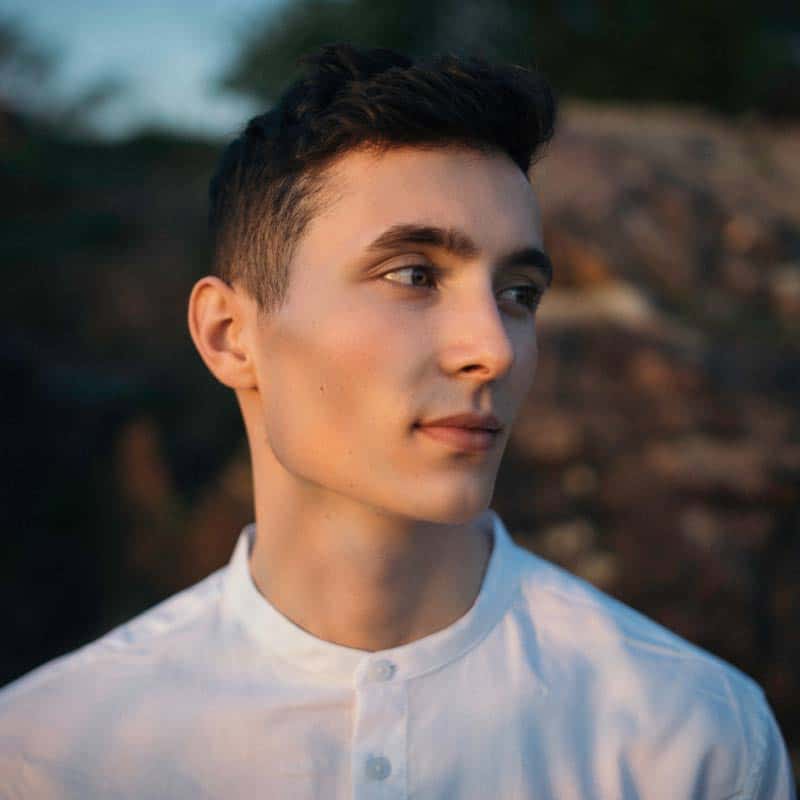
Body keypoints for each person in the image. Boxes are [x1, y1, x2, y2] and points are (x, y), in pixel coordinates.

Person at [0, 42, 794, 800]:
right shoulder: (50, 753)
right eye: (414, 275)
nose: (494, 349)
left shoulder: (694, 738)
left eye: (519, 292)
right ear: (230, 336)